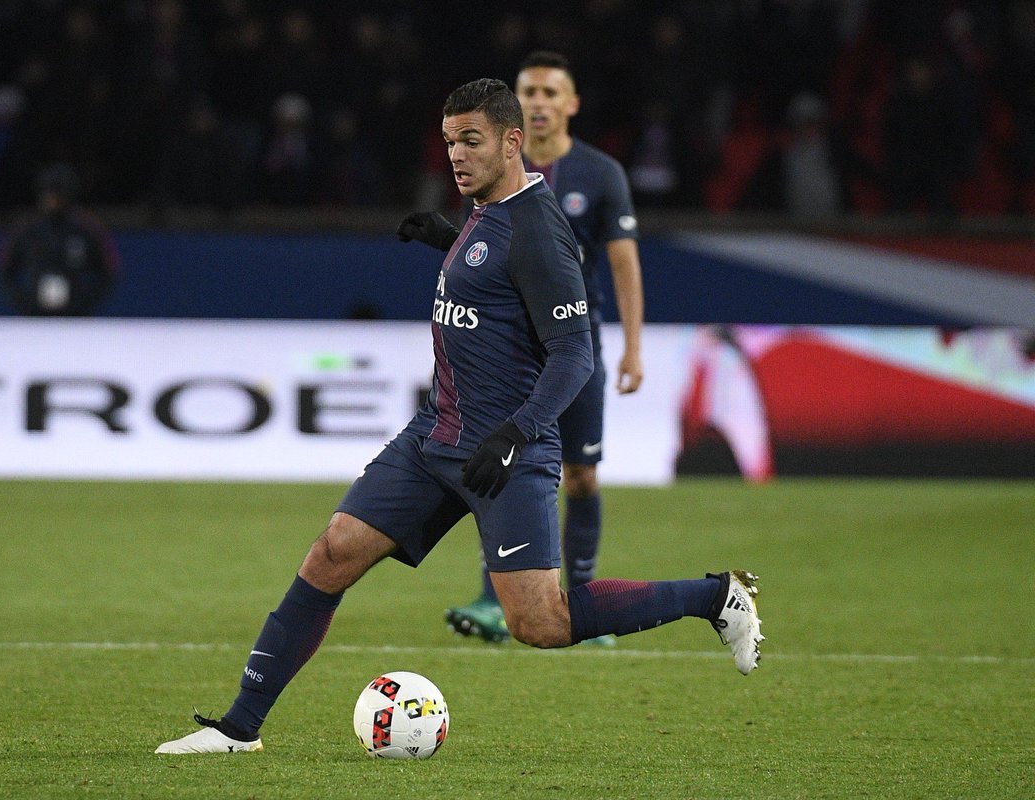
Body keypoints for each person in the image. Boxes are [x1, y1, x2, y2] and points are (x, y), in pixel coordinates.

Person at [156, 78, 762, 756]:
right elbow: (498, 285)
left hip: (504, 453)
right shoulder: (486, 207)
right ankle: (238, 729)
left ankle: (715, 597)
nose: (456, 155)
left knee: (540, 622)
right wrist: (446, 239)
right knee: (332, 553)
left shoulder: (539, 230)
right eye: (449, 142)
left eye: (471, 140)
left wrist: (516, 434)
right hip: (434, 435)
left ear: (511, 142)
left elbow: (575, 354)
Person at [400, 52, 647, 646]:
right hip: (508, 345)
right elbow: (483, 256)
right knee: (493, 466)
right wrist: (445, 238)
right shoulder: (488, 162)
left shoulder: (600, 173)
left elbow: (623, 264)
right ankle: (494, 603)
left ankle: (583, 603)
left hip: (572, 344)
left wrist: (633, 349)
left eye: (549, 92)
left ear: (571, 104)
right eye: (529, 91)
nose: (538, 102)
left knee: (581, 475)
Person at [0, 163, 119, 316]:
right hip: (34, 314)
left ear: (70, 194)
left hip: (75, 316)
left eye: (58, 194)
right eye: (49, 193)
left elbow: (109, 272)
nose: (53, 200)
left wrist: (85, 303)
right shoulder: (26, 229)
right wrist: (23, 302)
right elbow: (4, 271)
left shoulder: (88, 228)